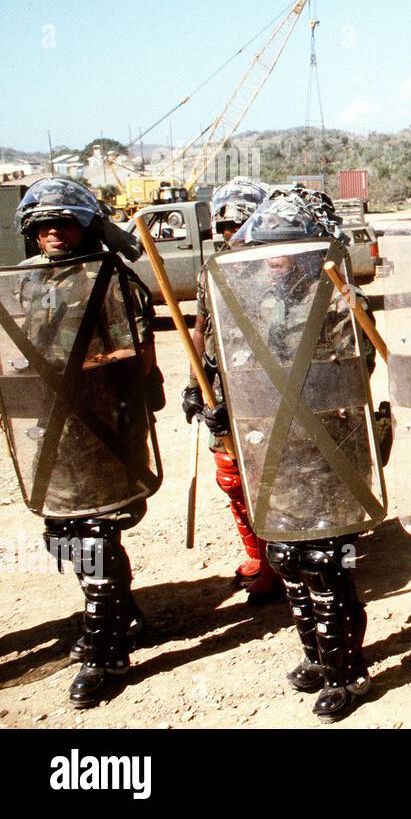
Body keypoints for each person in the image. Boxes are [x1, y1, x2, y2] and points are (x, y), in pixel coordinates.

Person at [207, 195, 386, 722]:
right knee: (286, 555)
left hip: (327, 444)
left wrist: (287, 386)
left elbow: (355, 367)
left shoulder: (335, 294)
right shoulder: (247, 297)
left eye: (288, 247)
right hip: (273, 447)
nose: (276, 256)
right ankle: (315, 653)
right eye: (268, 248)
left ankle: (346, 670)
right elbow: (232, 361)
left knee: (327, 560)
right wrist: (222, 403)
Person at [2, 177, 162, 707]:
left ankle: (107, 651)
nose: (53, 233)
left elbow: (137, 357)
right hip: (53, 428)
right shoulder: (27, 280)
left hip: (103, 422)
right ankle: (124, 612)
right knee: (63, 535)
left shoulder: (111, 279)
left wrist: (76, 371)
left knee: (94, 535)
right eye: (43, 225)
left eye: (64, 223)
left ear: (86, 226)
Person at [180, 177, 279, 599]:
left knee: (275, 476)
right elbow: (201, 330)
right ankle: (258, 554)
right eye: (223, 228)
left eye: (239, 226)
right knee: (232, 479)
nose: (230, 236)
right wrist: (196, 387)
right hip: (224, 391)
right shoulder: (211, 271)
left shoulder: (281, 266)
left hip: (272, 393)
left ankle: (288, 557)